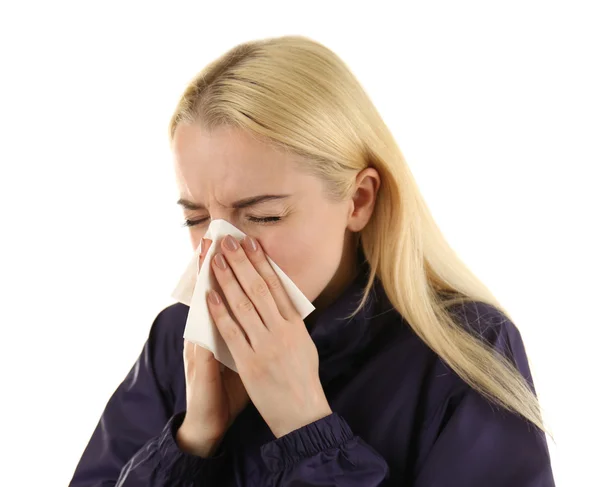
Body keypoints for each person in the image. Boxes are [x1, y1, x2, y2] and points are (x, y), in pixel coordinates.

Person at [69, 35, 555, 486]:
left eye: (264, 215)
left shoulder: (462, 353)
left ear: (359, 200)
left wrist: (306, 428)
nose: (218, 251)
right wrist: (191, 440)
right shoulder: (176, 342)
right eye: (196, 218)